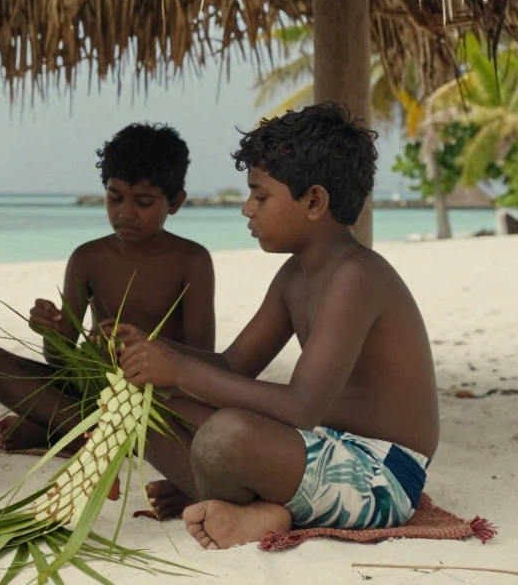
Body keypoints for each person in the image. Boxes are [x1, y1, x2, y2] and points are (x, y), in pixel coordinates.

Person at [116, 103, 439, 549]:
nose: (247, 209)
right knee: (143, 407)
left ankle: (258, 507)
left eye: (260, 195)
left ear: (313, 201)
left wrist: (181, 371)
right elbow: (232, 364)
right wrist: (151, 352)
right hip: (320, 446)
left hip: (382, 472)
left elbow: (301, 407)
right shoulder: (294, 276)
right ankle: (233, 494)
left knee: (227, 436)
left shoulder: (355, 276)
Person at [0, 123, 215, 454]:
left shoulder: (192, 260)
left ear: (175, 202)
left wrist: (146, 349)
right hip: (92, 392)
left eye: (142, 202)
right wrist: (52, 332)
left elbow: (207, 362)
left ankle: (75, 433)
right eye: (114, 198)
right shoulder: (87, 258)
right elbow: (59, 360)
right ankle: (100, 434)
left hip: (158, 396)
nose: (124, 213)